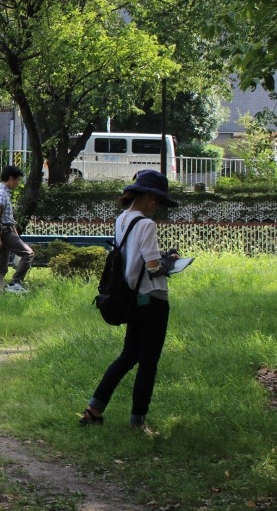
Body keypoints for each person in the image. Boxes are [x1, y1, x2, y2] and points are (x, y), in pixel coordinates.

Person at [79, 169, 180, 432]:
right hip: (153, 299)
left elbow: (133, 258)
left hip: (132, 297)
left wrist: (160, 257)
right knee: (148, 363)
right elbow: (153, 267)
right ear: (147, 197)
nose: (156, 206)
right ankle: (138, 422)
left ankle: (94, 409)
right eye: (156, 201)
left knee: (127, 356)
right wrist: (170, 262)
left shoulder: (122, 220)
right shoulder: (146, 224)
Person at [0, 165, 33, 293]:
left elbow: (8, 217)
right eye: (17, 180)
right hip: (3, 232)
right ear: (10, 178)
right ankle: (15, 283)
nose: (18, 183)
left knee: (1, 267)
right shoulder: (1, 193)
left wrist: (15, 235)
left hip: (6, 231)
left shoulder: (4, 192)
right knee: (28, 254)